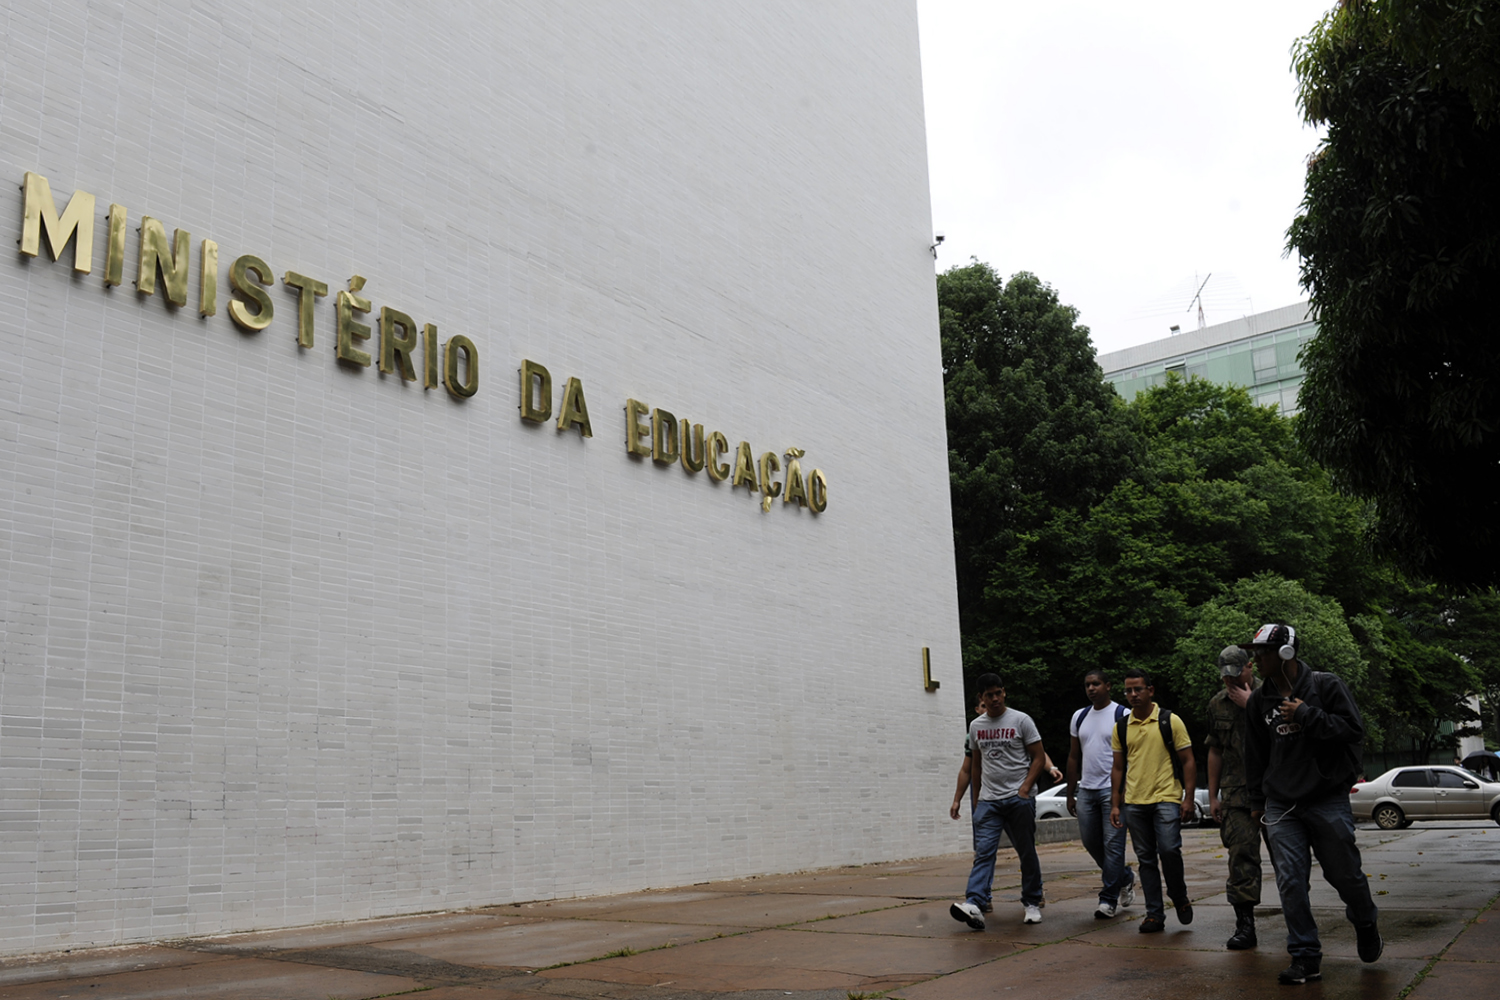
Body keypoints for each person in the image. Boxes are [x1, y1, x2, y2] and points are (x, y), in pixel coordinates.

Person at [1241, 623, 1383, 985]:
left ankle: (1365, 920)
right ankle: (1305, 956)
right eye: (1254, 651)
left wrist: (1306, 715)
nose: (1256, 658)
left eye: (1264, 651)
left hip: (1326, 798)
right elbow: (1255, 755)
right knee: (1290, 880)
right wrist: (1257, 801)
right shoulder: (1259, 700)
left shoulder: (1325, 685)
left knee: (1345, 875)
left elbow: (1353, 730)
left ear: (1286, 652)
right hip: (1281, 804)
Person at [948, 672, 1046, 928]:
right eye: (989, 695)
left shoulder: (1021, 720)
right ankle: (975, 902)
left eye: (998, 693)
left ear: (1004, 692)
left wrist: (1025, 789)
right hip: (990, 801)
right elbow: (976, 766)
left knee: (1026, 851)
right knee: (984, 853)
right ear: (981, 698)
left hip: (1018, 798)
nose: (994, 699)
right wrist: (976, 800)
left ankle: (1032, 901)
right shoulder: (976, 726)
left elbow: (1038, 757)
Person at [1110, 668, 1196, 933]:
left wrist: (1188, 798)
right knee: (1146, 859)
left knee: (1169, 849)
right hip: (1134, 802)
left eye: (1138, 689)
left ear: (1150, 690)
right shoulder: (1122, 726)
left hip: (1166, 797)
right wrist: (1115, 804)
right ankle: (1154, 914)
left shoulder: (1170, 720)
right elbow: (1118, 768)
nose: (1133, 695)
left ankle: (1178, 895)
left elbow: (1188, 760)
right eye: (1128, 690)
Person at [1205, 645, 1265, 950]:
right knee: (1241, 857)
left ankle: (1299, 921)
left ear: (1249, 667)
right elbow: (1215, 749)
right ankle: (1245, 925)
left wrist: (1252, 705)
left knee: (1289, 860)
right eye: (1224, 675)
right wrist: (1213, 796)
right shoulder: (1217, 704)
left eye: (1235, 673)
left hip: (1275, 791)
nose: (1229, 681)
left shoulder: (1272, 695)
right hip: (1236, 794)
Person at [1066, 668, 1136, 919]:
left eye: (1096, 684)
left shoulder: (1123, 714)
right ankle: (1125, 877)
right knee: (1091, 842)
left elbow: (1132, 756)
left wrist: (1125, 789)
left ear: (1108, 686)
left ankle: (1108, 899)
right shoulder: (1079, 716)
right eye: (1087, 685)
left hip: (1113, 791)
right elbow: (1074, 755)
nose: (1091, 688)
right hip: (1087, 789)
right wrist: (1070, 792)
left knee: (1113, 845)